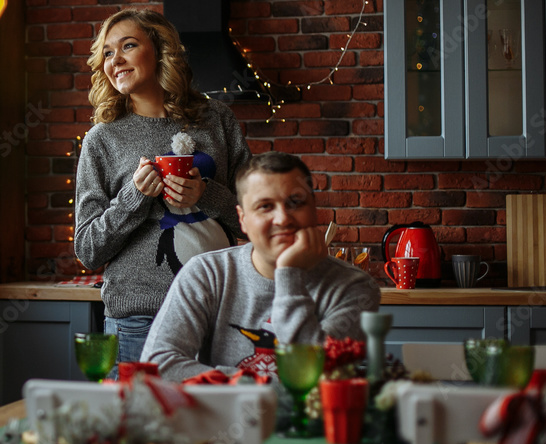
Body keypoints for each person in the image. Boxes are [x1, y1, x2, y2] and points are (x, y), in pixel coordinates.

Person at [74, 8, 251, 378]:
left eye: (128, 46)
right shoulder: (101, 139)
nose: (115, 60)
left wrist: (205, 194)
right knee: (143, 431)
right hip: (140, 319)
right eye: (107, 52)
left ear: (160, 50)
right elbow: (88, 250)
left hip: (217, 310)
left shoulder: (216, 119)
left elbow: (253, 218)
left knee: (219, 426)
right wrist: (133, 198)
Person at [140, 151, 380, 382]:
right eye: (265, 206)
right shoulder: (206, 273)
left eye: (296, 202)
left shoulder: (355, 288)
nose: (283, 218)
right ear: (242, 219)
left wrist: (288, 275)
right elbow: (158, 365)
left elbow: (313, 378)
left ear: (314, 209)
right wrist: (251, 384)